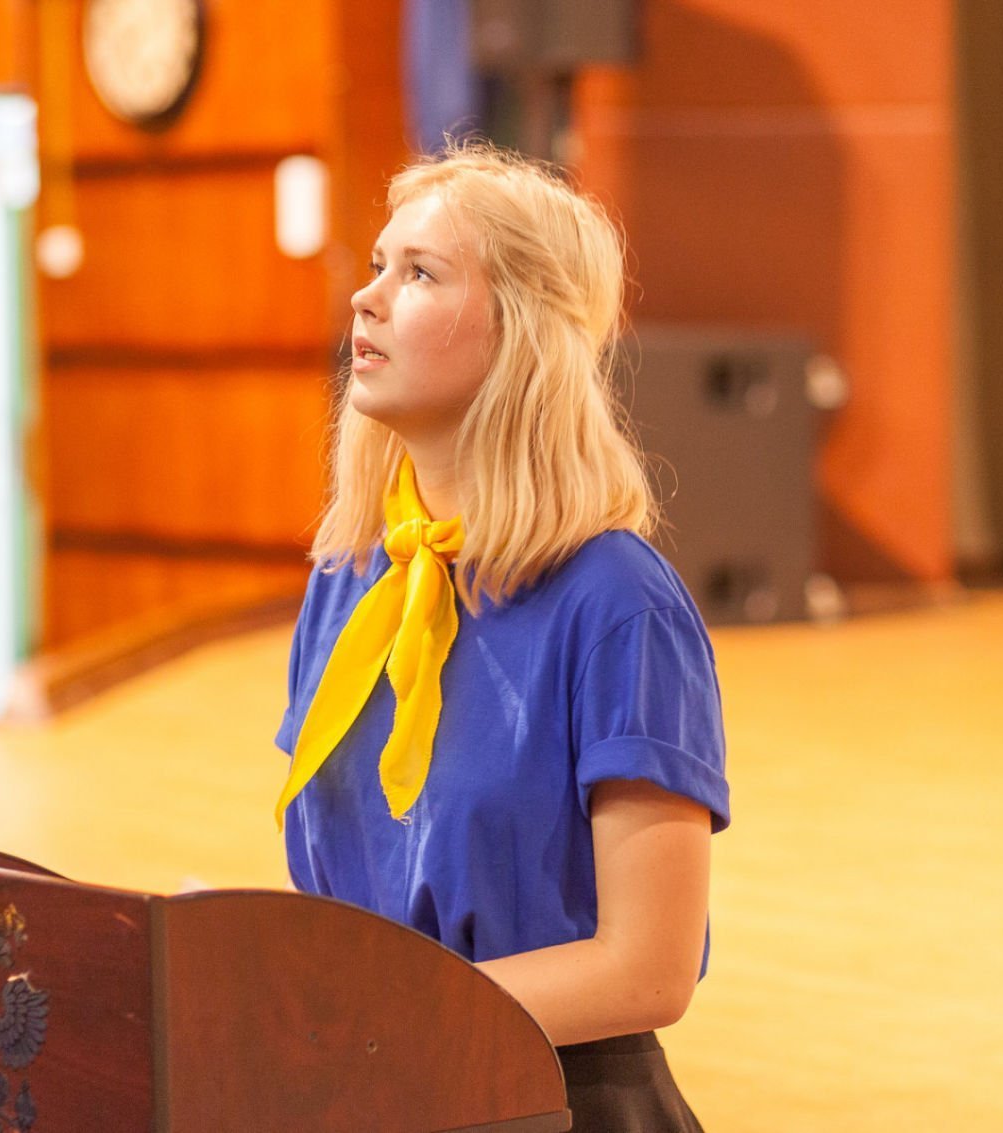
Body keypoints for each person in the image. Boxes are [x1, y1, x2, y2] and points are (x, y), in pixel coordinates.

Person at [272, 139, 729, 1131]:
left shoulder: (616, 600)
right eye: (376, 265)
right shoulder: (347, 579)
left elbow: (648, 970)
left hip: (552, 1097)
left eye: (419, 273)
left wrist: (384, 1019)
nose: (366, 298)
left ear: (519, 333)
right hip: (375, 1086)